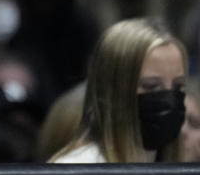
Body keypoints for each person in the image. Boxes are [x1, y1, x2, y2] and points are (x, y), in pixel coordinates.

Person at [50, 18, 187, 163]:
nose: (170, 100)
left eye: (178, 86)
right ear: (114, 91)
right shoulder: (77, 168)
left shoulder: (179, 168)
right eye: (151, 86)